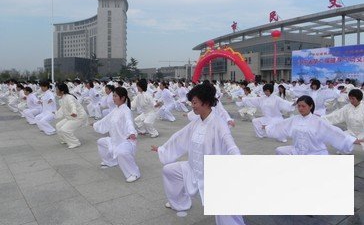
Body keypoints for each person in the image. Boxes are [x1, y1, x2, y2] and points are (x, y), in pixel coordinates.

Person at [151, 83, 245, 225]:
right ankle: (181, 202)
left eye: (194, 102)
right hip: (192, 169)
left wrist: (237, 160)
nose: (192, 106)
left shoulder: (219, 124)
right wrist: (162, 149)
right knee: (169, 171)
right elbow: (180, 136)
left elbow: (230, 144)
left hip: (211, 174)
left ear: (206, 102)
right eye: (191, 102)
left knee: (224, 211)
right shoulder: (196, 122)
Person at [265, 95, 363, 155]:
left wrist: (354, 140)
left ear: (310, 106)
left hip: (315, 152)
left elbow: (333, 132)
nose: (300, 108)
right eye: (299, 106)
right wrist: (267, 127)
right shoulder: (294, 119)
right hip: (298, 151)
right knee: (279, 150)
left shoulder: (317, 121)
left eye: (303, 106)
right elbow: (281, 125)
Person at [93, 87, 140, 183]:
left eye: (115, 96)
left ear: (122, 98)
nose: (113, 98)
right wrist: (95, 124)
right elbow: (106, 119)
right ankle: (110, 162)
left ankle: (134, 173)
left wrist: (132, 133)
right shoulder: (116, 109)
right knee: (101, 142)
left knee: (121, 152)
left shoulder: (126, 110)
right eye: (113, 96)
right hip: (115, 140)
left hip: (126, 140)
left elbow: (129, 122)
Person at [55, 83, 88, 149]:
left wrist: (74, 112)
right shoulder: (63, 98)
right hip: (71, 117)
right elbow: (62, 109)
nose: (56, 91)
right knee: (58, 126)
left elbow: (73, 105)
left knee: (65, 129)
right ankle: (65, 140)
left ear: (62, 91)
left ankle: (75, 143)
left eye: (57, 89)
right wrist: (55, 114)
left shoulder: (69, 97)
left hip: (78, 117)